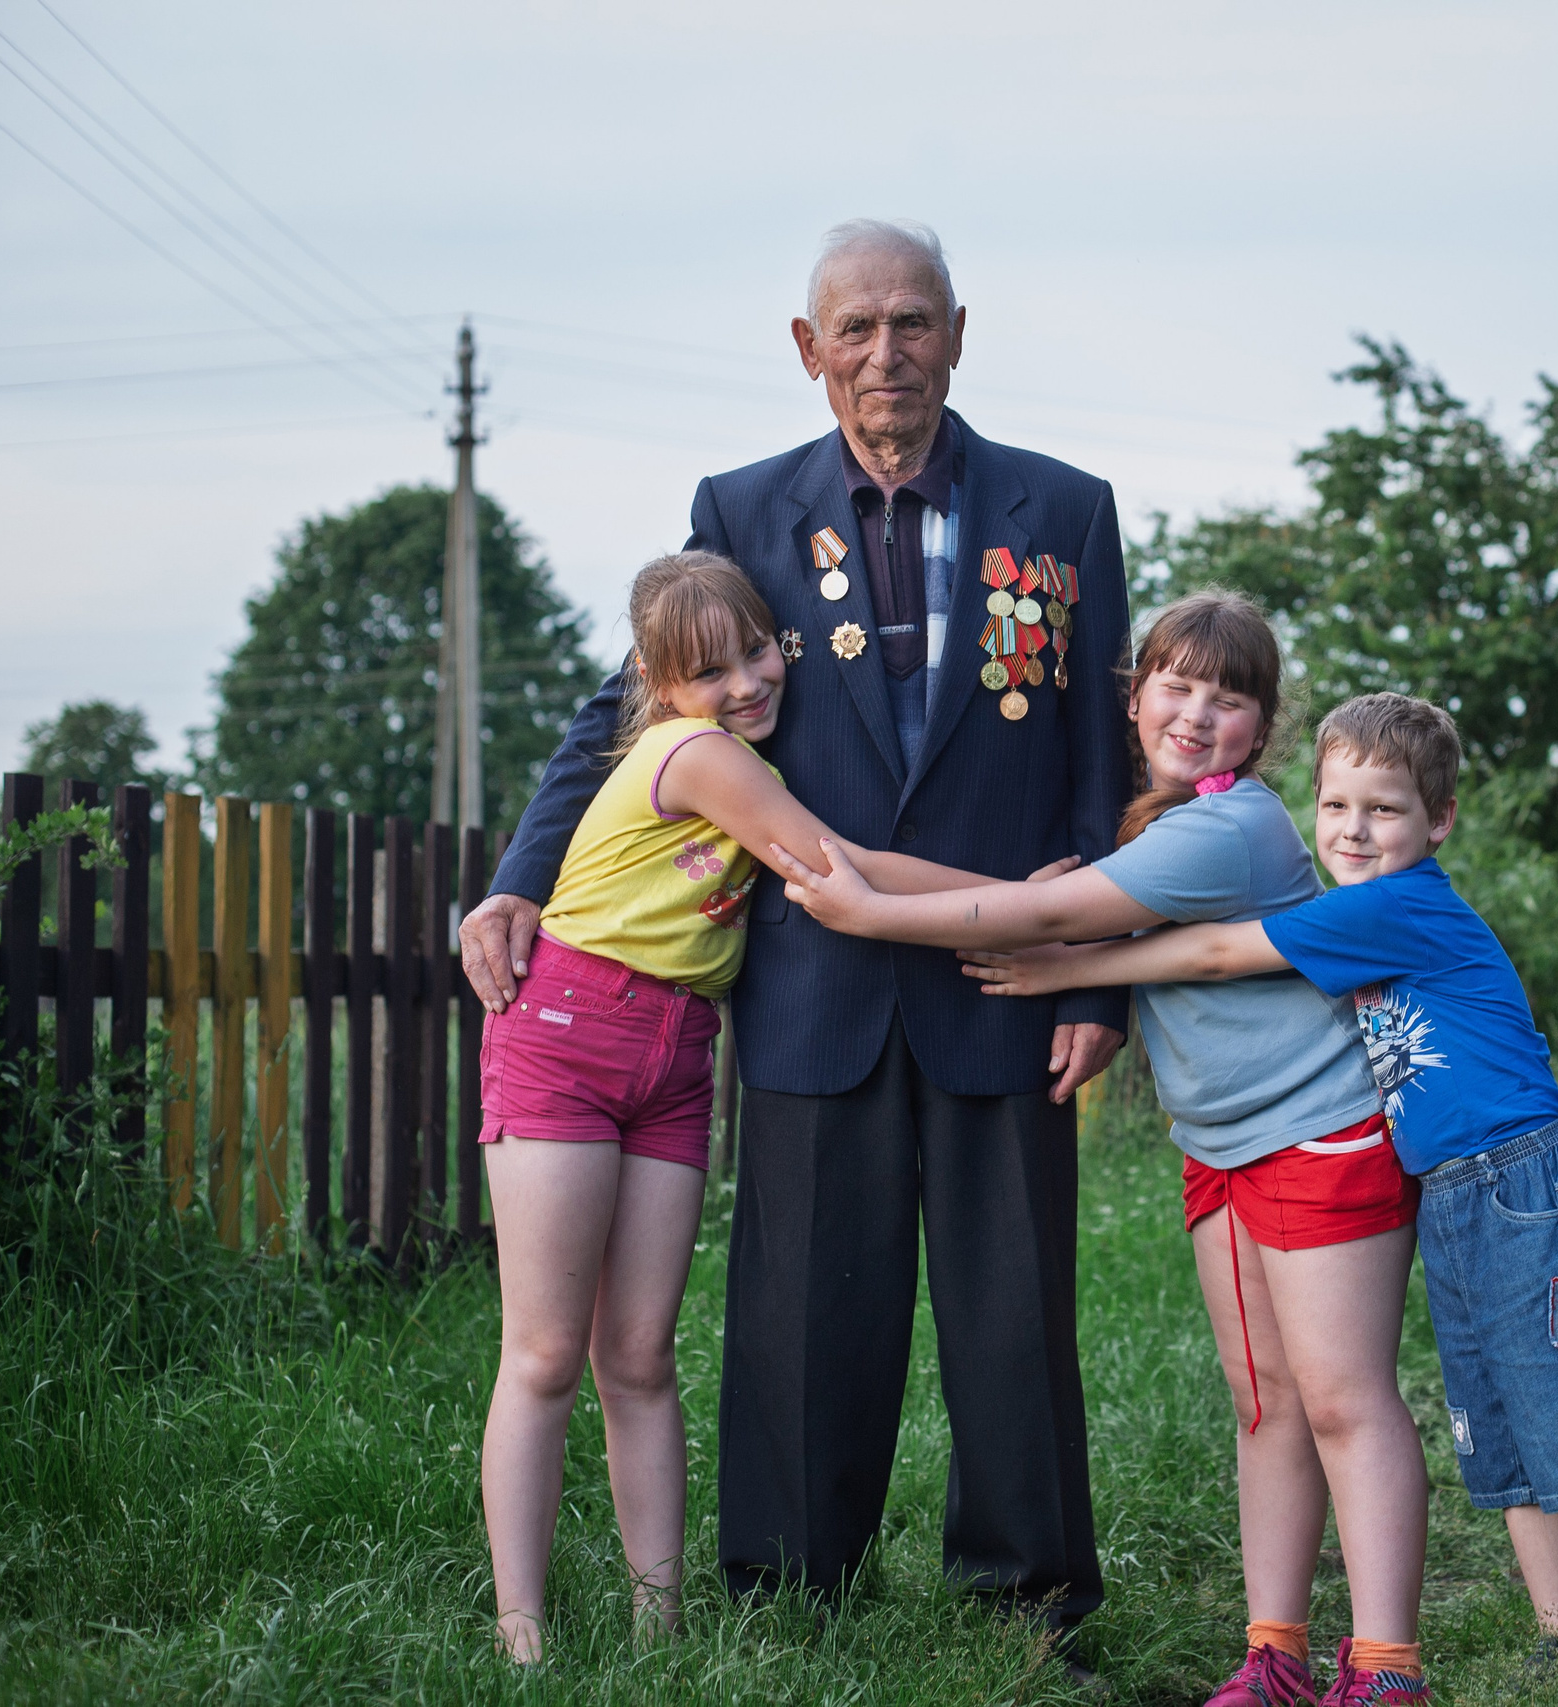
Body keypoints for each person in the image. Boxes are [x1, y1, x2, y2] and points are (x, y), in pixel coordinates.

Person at [458, 220, 1132, 1665]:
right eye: (857, 328)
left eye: (913, 321)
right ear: (807, 348)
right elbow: (626, 709)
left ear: (959, 329)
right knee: (803, 1304)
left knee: (1015, 1304)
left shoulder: (1065, 512)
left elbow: (1093, 755)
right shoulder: (741, 508)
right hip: (809, 981)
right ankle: (788, 1594)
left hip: (1005, 972)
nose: (886, 352)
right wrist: (517, 875)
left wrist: (1097, 969)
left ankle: (1031, 1602)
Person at [957, 692, 1558, 1687]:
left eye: (1383, 809)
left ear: (1439, 820)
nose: (1353, 829)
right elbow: (1217, 949)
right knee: (1504, 1435)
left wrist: (1065, 966)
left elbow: (1215, 949)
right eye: (1336, 806)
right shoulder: (1353, 910)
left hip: (1526, 1185)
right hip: (1459, 1197)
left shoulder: (1398, 905)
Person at [771, 592, 1438, 1707]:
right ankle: (1273, 1656)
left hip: (1322, 1132)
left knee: (1342, 1400)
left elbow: (1036, 923)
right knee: (1264, 1402)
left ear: (1262, 728)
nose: (1195, 713)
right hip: (1225, 1145)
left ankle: (1387, 1672)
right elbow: (1031, 905)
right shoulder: (1163, 826)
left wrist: (868, 911)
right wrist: (861, 866)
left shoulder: (1237, 828)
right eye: (1175, 686)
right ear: (1135, 696)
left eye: (1229, 699)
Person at [478, 552, 1059, 1661]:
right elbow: (842, 867)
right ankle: (522, 1630)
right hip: (566, 1033)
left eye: (756, 650)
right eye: (709, 671)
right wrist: (1028, 905)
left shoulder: (735, 745)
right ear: (657, 681)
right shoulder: (698, 755)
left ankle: (661, 1624)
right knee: (548, 1352)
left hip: (677, 1048)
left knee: (641, 1353)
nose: (746, 683)